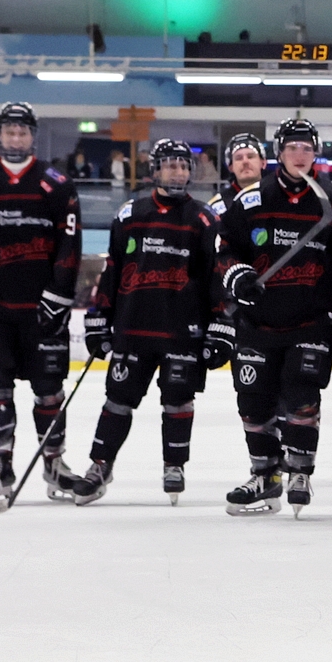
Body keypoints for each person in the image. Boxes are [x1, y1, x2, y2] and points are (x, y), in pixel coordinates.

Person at [214, 118, 332, 517]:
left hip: (311, 322)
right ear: (278, 153)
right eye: (292, 148)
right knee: (253, 403)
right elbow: (224, 248)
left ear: (316, 154)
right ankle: (265, 475)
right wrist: (237, 275)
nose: (300, 155)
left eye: (307, 148)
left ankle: (299, 472)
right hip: (256, 323)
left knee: (302, 398)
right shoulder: (251, 200)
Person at [70, 140, 227, 505]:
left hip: (183, 331)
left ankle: (174, 465)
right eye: (170, 165)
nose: (178, 172)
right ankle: (100, 465)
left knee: (178, 400)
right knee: (117, 400)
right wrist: (99, 317)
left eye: (183, 166)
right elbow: (113, 270)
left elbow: (215, 277)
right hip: (133, 327)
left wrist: (221, 325)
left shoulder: (204, 219)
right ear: (155, 170)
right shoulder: (130, 214)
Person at [0, 103, 82, 511]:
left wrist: (58, 297)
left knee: (49, 389)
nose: (16, 138)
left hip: (43, 308)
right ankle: (0, 464)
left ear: (32, 136)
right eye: (10, 131)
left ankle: (54, 463)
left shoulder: (57, 184)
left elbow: (70, 247)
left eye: (23, 132)